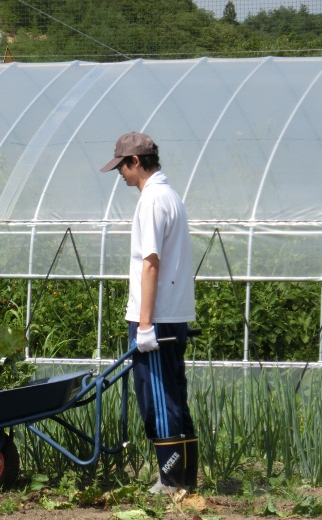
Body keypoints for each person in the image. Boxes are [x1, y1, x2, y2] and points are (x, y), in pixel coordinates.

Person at [101, 132, 198, 494]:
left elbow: (151, 263)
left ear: (135, 162)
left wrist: (144, 325)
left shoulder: (153, 200)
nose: (120, 176)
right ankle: (184, 478)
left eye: (121, 168)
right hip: (173, 315)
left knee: (157, 397)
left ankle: (170, 481)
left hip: (156, 318)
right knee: (173, 395)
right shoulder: (170, 196)